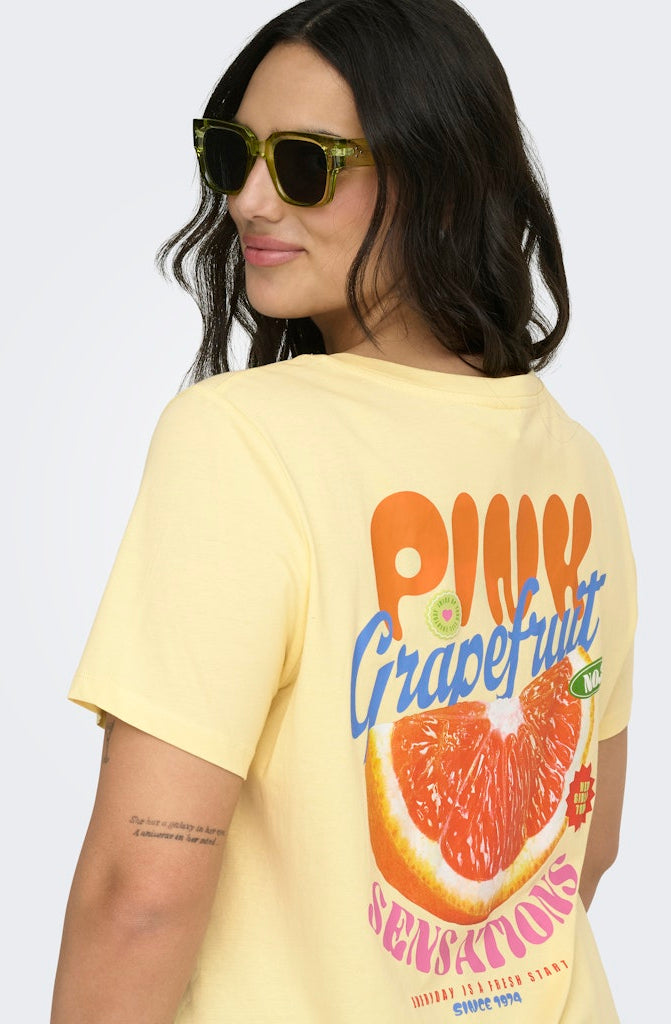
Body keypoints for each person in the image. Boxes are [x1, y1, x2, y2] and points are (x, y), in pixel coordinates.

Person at [50, 1, 637, 1021]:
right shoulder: (577, 466)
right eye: (232, 153)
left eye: (305, 165)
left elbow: (141, 892)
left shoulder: (240, 440)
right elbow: (584, 846)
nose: (248, 200)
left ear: (440, 183)